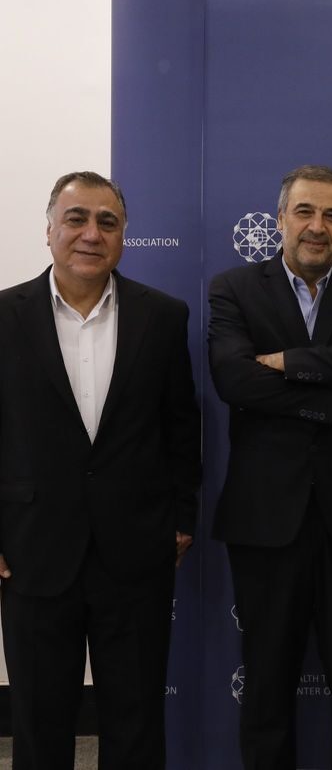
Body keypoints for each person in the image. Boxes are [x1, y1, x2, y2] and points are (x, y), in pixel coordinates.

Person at [208, 165, 332, 770]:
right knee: (267, 680)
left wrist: (287, 362)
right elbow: (234, 379)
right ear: (280, 220)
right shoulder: (234, 288)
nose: (317, 226)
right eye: (305, 212)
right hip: (266, 519)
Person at [0, 171, 200, 768]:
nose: (91, 233)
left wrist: (182, 517)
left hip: (137, 551)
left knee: (136, 722)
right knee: (39, 722)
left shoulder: (162, 316)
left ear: (123, 235)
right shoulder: (4, 316)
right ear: (49, 230)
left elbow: (181, 425)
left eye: (107, 222)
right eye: (77, 219)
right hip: (32, 550)